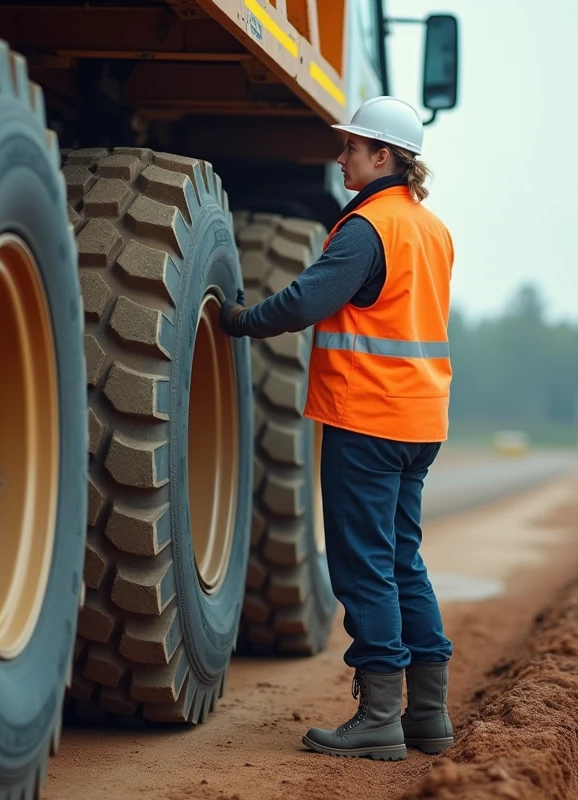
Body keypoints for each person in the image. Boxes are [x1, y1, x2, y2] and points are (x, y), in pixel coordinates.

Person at [218, 96, 455, 762]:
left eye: (352, 146)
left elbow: (306, 301)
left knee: (363, 567)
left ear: (384, 157)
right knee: (403, 560)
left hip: (367, 419)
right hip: (419, 420)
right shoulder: (431, 229)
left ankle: (379, 716)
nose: (341, 154)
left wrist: (239, 320)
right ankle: (428, 716)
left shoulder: (366, 227)